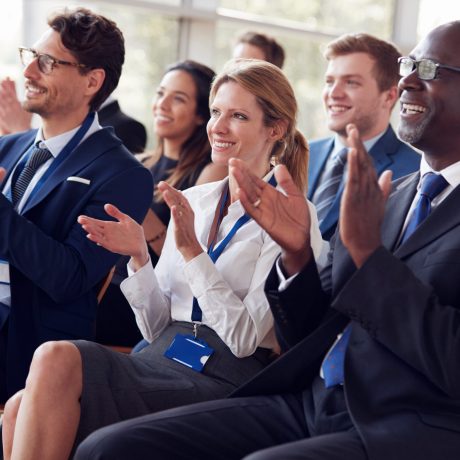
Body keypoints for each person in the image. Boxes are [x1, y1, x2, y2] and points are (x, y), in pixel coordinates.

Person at [75, 20, 460, 460]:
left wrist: (369, 258)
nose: (408, 78)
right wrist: (297, 258)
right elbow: (317, 327)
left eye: (429, 68)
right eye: (408, 65)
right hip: (313, 396)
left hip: (409, 420)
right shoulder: (396, 194)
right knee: (108, 447)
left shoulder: (377, 194)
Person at [2, 59, 324, 460]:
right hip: (161, 355)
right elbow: (157, 328)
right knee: (17, 405)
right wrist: (139, 256)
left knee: (55, 355)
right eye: (218, 112)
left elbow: (242, 341)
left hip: (224, 375)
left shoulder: (295, 217)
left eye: (238, 116)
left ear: (274, 129)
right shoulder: (194, 201)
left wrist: (192, 251)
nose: (219, 127)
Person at [0, 7, 153, 403]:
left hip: (25, 344)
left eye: (47, 62)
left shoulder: (123, 175)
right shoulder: (9, 148)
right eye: (29, 56)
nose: (29, 72)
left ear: (92, 81)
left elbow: (67, 277)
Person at [96, 60, 227, 347]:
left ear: (199, 115)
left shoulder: (209, 171)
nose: (163, 105)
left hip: (149, 297)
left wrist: (143, 218)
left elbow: (194, 255)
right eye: (160, 94)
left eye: (178, 98)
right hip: (109, 279)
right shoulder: (139, 162)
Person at [309, 33, 420, 240]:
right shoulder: (300, 154)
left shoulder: (414, 174)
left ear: (389, 96)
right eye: (329, 81)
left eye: (351, 82)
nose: (334, 93)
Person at [0, 77, 147, 154]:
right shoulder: (53, 125)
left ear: (92, 82)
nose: (28, 73)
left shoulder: (128, 128)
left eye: (51, 64)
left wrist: (20, 130)